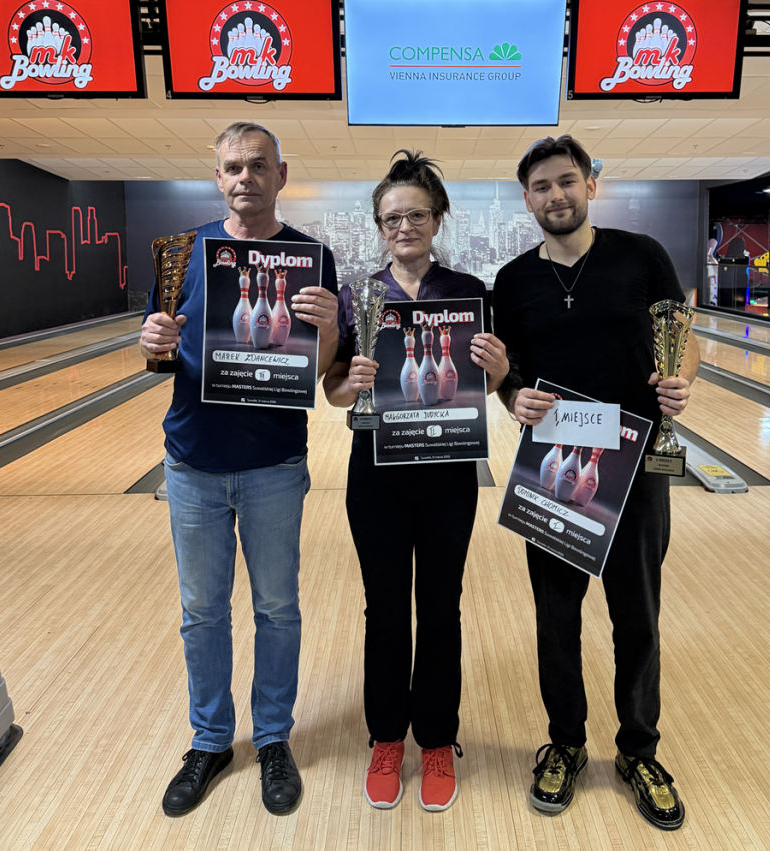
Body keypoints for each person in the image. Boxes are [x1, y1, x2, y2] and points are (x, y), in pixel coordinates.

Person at [492, 135, 700, 831]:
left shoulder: (641, 256)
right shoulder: (514, 280)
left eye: (567, 181)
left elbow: (682, 332)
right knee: (557, 618)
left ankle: (639, 749)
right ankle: (567, 741)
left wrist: (683, 377)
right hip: (552, 468)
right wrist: (512, 396)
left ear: (590, 186)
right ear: (527, 198)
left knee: (636, 614)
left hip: (635, 466)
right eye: (542, 186)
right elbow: (508, 373)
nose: (556, 195)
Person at [139, 121, 339, 817]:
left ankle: (274, 737)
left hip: (273, 463)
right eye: (232, 166)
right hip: (192, 461)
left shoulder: (313, 258)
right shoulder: (184, 254)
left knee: (276, 608)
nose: (244, 177)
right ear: (216, 176)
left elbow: (320, 374)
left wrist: (334, 327)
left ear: (281, 175)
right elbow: (158, 351)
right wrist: (151, 338)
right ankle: (212, 740)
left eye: (258, 165)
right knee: (202, 613)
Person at [323, 151, 509, 812]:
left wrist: (498, 364)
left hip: (448, 474)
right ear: (379, 225)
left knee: (440, 603)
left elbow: (487, 386)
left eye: (416, 214)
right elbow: (334, 390)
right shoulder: (358, 295)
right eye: (391, 217)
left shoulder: (469, 294)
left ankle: (435, 736)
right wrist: (354, 383)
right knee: (383, 608)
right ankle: (385, 737)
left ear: (438, 219)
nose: (404, 225)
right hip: (375, 474)